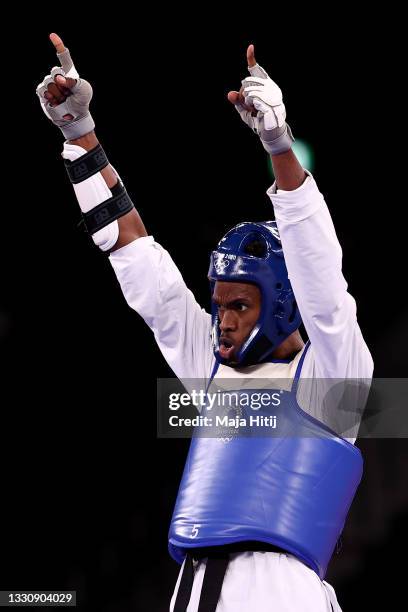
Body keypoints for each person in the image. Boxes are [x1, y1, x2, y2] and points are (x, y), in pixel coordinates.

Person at [37, 33, 374, 612]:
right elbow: (136, 256)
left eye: (238, 306)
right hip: (192, 590)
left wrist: (277, 144)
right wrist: (79, 137)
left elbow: (322, 280)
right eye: (218, 305)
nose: (220, 321)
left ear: (280, 306)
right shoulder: (213, 373)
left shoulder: (335, 379)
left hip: (279, 593)